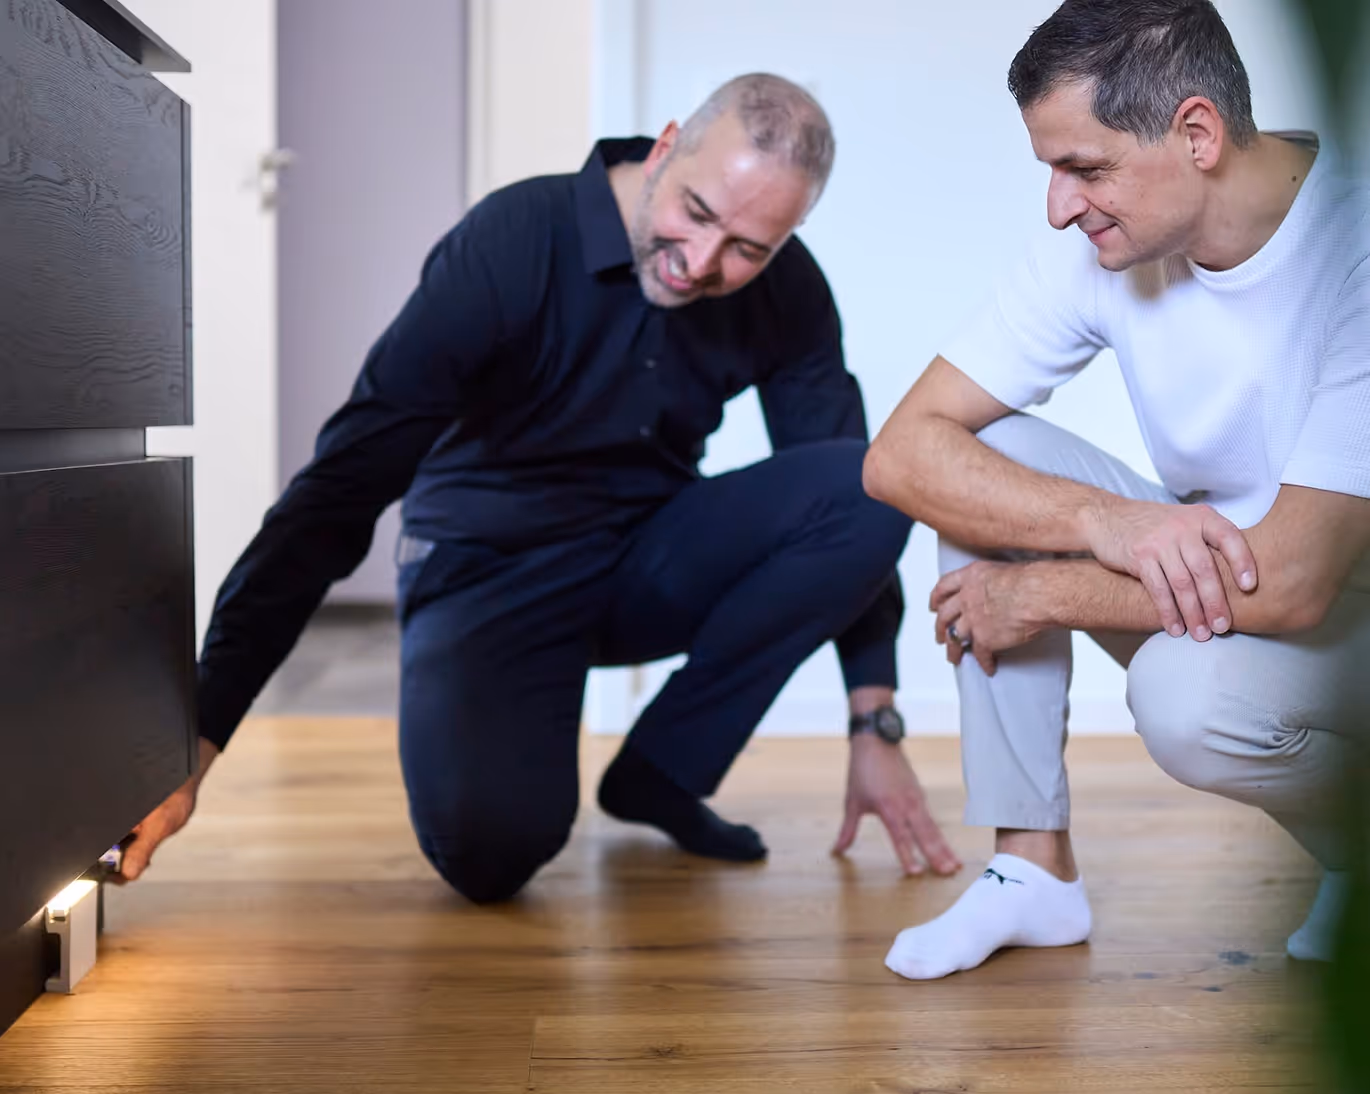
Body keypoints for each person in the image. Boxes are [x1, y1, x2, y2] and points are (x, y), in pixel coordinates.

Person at [119, 73, 962, 902]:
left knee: (871, 485)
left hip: (647, 559)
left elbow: (854, 487)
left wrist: (872, 718)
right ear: (667, 147)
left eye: (748, 249)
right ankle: (502, 722)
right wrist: (199, 735)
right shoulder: (514, 241)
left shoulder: (790, 291)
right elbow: (341, 488)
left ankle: (663, 773)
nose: (701, 262)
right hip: (486, 567)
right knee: (493, 855)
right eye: (696, 213)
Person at [864, 0, 1370, 979]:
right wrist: (1103, 519)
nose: (1058, 206)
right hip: (1226, 579)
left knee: (1187, 698)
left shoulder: (1353, 255)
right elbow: (897, 454)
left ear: (1195, 133)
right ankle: (1029, 870)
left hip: (1338, 613)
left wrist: (1044, 587)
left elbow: (1300, 579)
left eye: (1082, 169)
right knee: (983, 450)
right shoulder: (1099, 247)